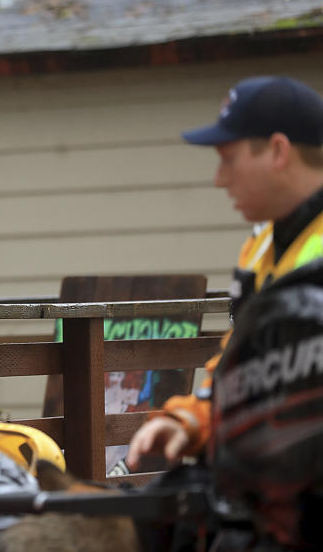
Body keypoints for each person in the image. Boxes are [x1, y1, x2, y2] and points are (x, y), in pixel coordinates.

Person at [125, 76, 323, 549]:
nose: (219, 178)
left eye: (229, 158)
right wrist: (189, 420)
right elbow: (241, 370)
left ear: (277, 151)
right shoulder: (260, 250)